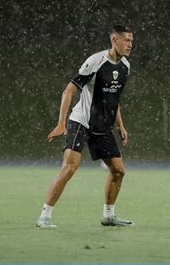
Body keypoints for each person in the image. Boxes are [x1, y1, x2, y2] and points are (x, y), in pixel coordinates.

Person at [36, 25, 134, 228]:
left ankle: (108, 215)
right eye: (126, 40)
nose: (130, 45)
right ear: (114, 41)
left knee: (118, 170)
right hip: (81, 121)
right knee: (69, 168)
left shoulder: (125, 66)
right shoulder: (95, 61)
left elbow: (114, 99)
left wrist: (121, 126)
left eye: (132, 41)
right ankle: (44, 216)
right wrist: (61, 123)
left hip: (103, 127)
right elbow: (69, 91)